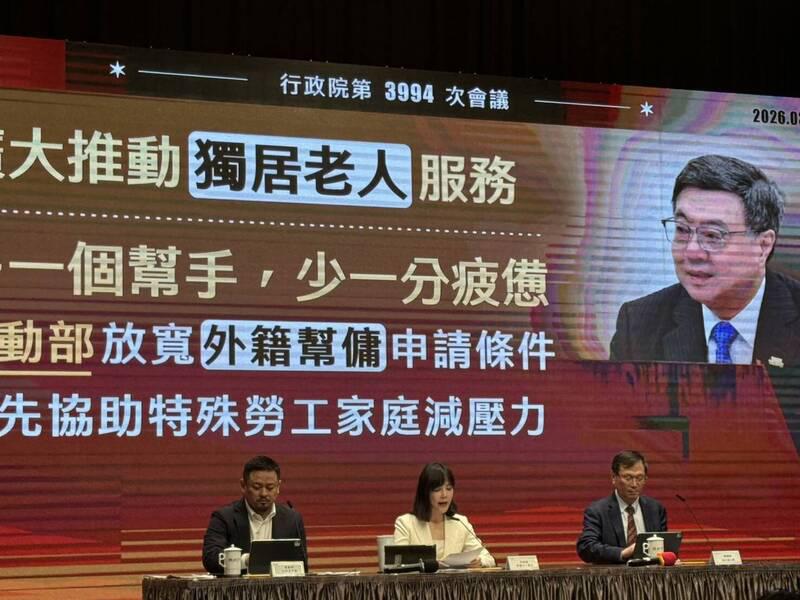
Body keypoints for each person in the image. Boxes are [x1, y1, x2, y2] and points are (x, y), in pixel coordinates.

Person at [610, 154, 800, 366]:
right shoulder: (639, 325)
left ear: (763, 245)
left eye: (712, 235)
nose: (692, 251)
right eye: (682, 230)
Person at [201, 455, 308, 574]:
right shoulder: (224, 517)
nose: (263, 493)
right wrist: (246, 560)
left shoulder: (292, 519)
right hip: (238, 585)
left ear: (278, 487)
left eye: (270, 487)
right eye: (257, 487)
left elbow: (302, 565)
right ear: (243, 485)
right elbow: (210, 558)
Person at [393, 462, 495, 567]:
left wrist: (479, 561)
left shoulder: (460, 522)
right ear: (425, 492)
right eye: (437, 490)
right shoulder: (406, 523)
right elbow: (397, 564)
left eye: (449, 488)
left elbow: (488, 559)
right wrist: (430, 565)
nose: (444, 495)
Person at [576, 450, 667, 564]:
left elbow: (664, 546)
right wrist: (622, 553)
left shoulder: (655, 509)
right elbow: (586, 547)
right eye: (628, 478)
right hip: (613, 574)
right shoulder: (597, 511)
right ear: (614, 477)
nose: (634, 484)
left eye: (639, 478)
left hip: (650, 574)